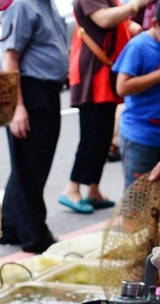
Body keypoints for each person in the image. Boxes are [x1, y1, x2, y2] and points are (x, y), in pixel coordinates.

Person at [59, 0, 152, 214]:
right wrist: (136, 5)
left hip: (105, 74)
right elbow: (104, 18)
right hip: (94, 76)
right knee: (92, 135)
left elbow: (122, 24)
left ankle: (93, 189)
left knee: (102, 137)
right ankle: (72, 189)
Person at [0, 0, 69, 254]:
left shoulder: (47, 6)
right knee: (30, 165)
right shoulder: (23, 6)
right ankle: (35, 235)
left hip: (47, 92)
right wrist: (17, 108)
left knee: (30, 163)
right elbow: (11, 58)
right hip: (29, 92)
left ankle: (11, 226)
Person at [112, 0, 160, 186]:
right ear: (154, 24)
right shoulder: (139, 46)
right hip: (140, 136)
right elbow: (122, 87)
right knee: (138, 201)